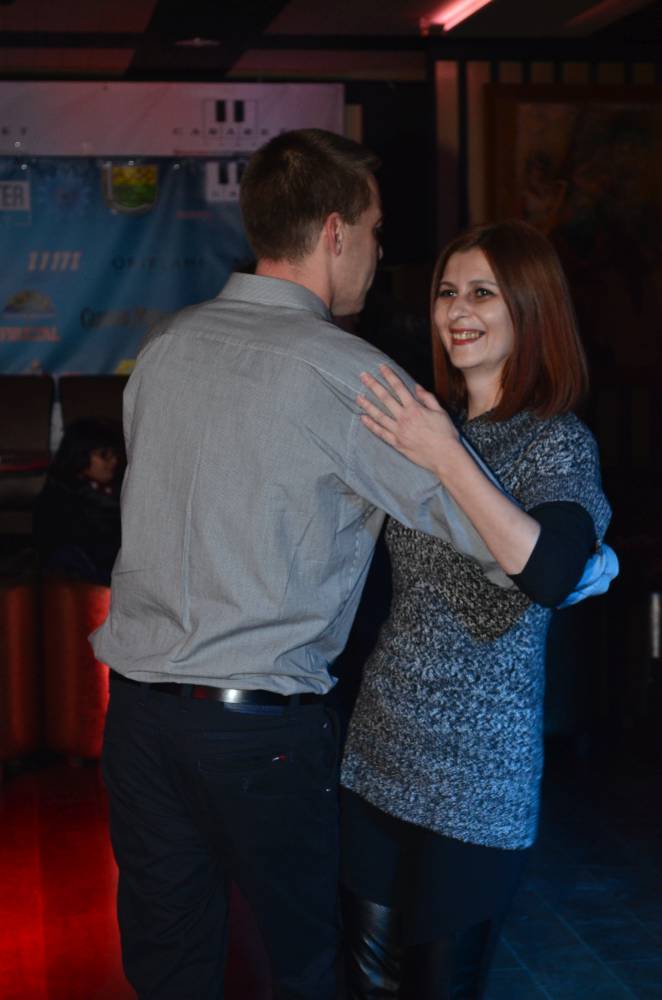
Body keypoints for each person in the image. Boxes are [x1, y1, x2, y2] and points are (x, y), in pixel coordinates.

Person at [91, 129, 518, 1000]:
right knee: (309, 971)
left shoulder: (165, 348)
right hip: (259, 735)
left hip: (136, 723)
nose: (378, 251)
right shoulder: (355, 379)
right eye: (375, 229)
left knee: (170, 970)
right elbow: (489, 542)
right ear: (334, 232)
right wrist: (580, 559)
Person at [339, 220, 612, 999]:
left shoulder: (556, 442)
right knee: (364, 986)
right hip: (379, 749)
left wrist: (445, 454)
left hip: (478, 781)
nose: (458, 310)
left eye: (483, 293)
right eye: (448, 292)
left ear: (531, 308)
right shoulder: (433, 426)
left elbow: (551, 573)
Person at [33, 417, 124, 586]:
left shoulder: (110, 489)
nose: (114, 461)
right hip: (80, 586)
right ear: (80, 454)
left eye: (115, 454)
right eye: (104, 455)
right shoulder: (60, 497)